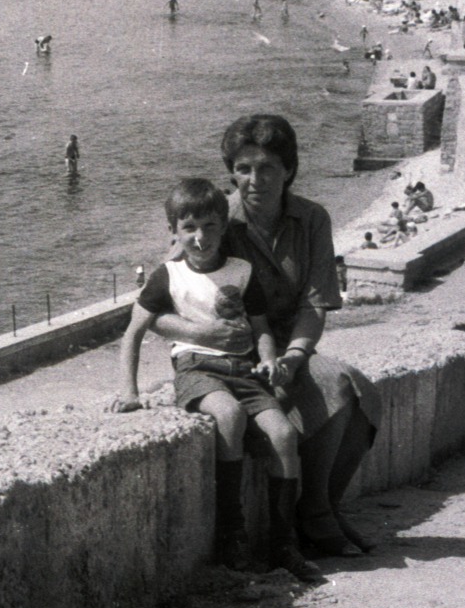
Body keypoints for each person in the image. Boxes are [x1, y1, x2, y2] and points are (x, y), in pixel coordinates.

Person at [152, 115, 381, 559]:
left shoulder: (312, 219)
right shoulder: (216, 219)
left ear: (289, 169)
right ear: (231, 172)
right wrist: (203, 330)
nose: (253, 180)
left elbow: (315, 303)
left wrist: (294, 356)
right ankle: (316, 519)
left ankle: (319, 510)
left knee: (358, 394)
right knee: (335, 385)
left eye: (267, 168)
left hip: (288, 344)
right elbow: (158, 306)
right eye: (242, 169)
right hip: (229, 353)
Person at [110, 179, 314, 576]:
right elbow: (132, 334)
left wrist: (269, 358)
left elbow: (262, 328)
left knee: (285, 435)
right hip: (196, 369)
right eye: (189, 229)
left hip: (244, 371)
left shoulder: (241, 271)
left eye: (209, 226)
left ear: (224, 226)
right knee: (229, 416)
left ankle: (283, 543)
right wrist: (129, 392)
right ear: (174, 231)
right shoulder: (168, 276)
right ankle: (231, 535)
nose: (200, 238)